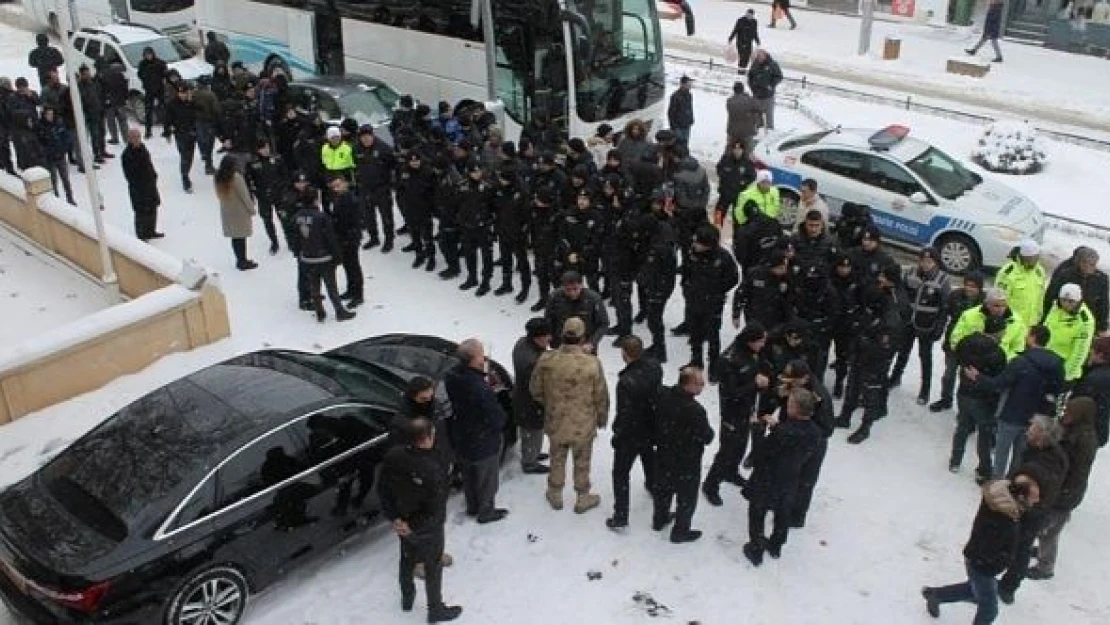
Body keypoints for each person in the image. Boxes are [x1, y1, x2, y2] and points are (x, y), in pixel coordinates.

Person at [921, 474, 1040, 624]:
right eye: (1033, 497)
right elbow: (990, 544)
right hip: (982, 564)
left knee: (975, 590)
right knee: (989, 609)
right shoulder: (1004, 516)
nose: (1037, 501)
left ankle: (936, 595)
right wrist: (999, 563)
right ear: (1021, 497)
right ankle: (936, 595)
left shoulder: (1004, 505)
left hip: (980, 561)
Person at [378, 418, 463, 623]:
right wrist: (411, 525)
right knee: (433, 565)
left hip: (403, 520)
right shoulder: (432, 469)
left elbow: (382, 490)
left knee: (407, 559)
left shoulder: (393, 456)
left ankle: (407, 598)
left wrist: (396, 519)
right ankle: (435, 609)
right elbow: (434, 508)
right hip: (428, 527)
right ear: (425, 439)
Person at [530, 317, 609, 513]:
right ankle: (582, 496)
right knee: (582, 460)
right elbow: (601, 395)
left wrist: (551, 404)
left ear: (562, 335)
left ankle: (555, 492)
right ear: (583, 337)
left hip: (556, 419)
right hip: (583, 422)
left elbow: (535, 389)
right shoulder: (591, 363)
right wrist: (601, 417)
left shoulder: (547, 360)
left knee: (557, 455)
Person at [966, 325, 1065, 479]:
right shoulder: (1057, 364)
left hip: (1012, 413)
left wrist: (978, 377)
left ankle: (997, 481)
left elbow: (998, 384)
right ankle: (1013, 481)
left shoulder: (1021, 362)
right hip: (1036, 419)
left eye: (1028, 334)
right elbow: (1057, 391)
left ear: (1033, 338)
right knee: (1020, 454)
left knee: (1002, 452)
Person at [742, 388, 822, 566]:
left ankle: (756, 548)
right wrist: (778, 427)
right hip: (791, 477)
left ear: (795, 407)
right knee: (782, 513)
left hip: (768, 478)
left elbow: (761, 453)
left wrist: (757, 430)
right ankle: (776, 545)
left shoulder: (782, 433)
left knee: (757, 512)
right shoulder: (815, 433)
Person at [997, 415, 1069, 604]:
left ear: (1041, 436)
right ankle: (1008, 583)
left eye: (1032, 428)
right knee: (1020, 547)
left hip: (1030, 513)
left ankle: (1006, 587)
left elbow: (1021, 485)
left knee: (1019, 549)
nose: (1028, 430)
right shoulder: (1053, 453)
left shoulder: (1038, 465)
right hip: (1038, 511)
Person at [1027, 397, 1099, 581]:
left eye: (1069, 412)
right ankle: (1042, 551)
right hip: (1063, 490)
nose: (1064, 415)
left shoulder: (1081, 439)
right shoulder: (1076, 432)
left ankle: (1045, 567)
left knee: (1049, 528)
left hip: (1065, 492)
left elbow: (1071, 468)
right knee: (1049, 525)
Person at [444, 339, 509, 524]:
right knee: (487, 478)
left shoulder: (453, 377)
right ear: (473, 359)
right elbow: (494, 415)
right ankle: (486, 510)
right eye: (481, 353)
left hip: (462, 435)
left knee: (469, 475)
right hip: (483, 439)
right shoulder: (479, 388)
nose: (485, 356)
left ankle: (472, 505)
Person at [703, 323, 769, 506]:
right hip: (732, 413)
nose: (764, 344)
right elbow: (731, 393)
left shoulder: (751, 353)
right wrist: (755, 385)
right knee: (727, 450)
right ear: (751, 341)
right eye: (761, 341)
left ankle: (731, 471)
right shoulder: (729, 360)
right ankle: (711, 484)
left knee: (741, 445)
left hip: (746, 408)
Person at [607, 335, 663, 529]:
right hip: (651, 428)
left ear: (625, 353)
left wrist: (618, 434)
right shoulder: (655, 366)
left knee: (621, 474)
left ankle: (621, 515)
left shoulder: (626, 382)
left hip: (631, 434)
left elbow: (625, 413)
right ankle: (653, 486)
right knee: (650, 460)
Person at [653, 366, 714, 543]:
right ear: (689, 385)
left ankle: (660, 518)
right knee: (687, 497)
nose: (703, 386)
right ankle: (681, 531)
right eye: (700, 383)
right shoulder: (695, 410)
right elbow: (706, 436)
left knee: (663, 489)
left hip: (664, 453)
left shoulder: (664, 396)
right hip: (687, 460)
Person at [949, 314, 1008, 482]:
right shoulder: (998, 353)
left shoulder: (967, 341)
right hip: (984, 398)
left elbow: (957, 356)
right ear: (999, 332)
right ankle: (983, 468)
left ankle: (955, 460)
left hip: (964, 392)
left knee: (962, 427)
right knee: (984, 434)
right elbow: (998, 379)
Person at [889, 247, 950, 405]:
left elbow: (944, 307)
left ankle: (925, 390)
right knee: (902, 352)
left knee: (925, 358)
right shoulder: (910, 273)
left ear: (935, 263)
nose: (925, 264)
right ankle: (895, 378)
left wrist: (939, 328)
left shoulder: (942, 280)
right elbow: (901, 294)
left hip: (927, 325)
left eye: (929, 261)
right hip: (908, 322)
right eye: (922, 260)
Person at [681, 225, 740, 381]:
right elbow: (686, 272)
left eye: (699, 243)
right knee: (695, 333)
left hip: (712, 304)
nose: (696, 245)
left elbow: (733, 278)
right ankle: (696, 360)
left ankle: (714, 366)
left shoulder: (723, 258)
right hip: (693, 300)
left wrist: (717, 290)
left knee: (713, 335)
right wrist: (686, 288)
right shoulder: (691, 253)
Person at [292, 198, 356, 322]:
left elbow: (295, 237)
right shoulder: (321, 218)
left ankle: (319, 311)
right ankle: (339, 311)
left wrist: (298, 252)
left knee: (314, 286)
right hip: (324, 258)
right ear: (315, 201)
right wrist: (337, 256)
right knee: (331, 286)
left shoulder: (297, 217)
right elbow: (330, 238)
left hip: (308, 258)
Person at [931, 272, 986, 412]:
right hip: (954, 343)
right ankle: (946, 399)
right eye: (967, 285)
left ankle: (965, 409)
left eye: (973, 286)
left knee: (967, 380)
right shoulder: (955, 296)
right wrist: (939, 331)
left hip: (974, 349)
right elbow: (944, 315)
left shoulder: (985, 302)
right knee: (948, 375)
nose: (969, 289)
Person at [512, 318, 552, 475]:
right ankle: (529, 462)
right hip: (530, 403)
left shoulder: (523, 343)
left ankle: (532, 453)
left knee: (533, 432)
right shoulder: (531, 361)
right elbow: (540, 385)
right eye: (546, 336)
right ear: (537, 338)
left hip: (523, 398)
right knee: (532, 431)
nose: (550, 339)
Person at [949, 287, 1027, 361]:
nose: (1001, 309)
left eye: (1004, 305)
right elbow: (955, 340)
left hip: (1001, 367)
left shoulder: (1016, 321)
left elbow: (1018, 349)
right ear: (987, 304)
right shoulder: (969, 315)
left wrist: (1000, 359)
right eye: (996, 306)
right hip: (973, 364)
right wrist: (973, 358)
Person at [1045, 246, 1108, 335]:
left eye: (1093, 264)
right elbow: (1050, 296)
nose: (1089, 267)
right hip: (1063, 318)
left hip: (1087, 321)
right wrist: (1046, 317)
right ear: (1079, 262)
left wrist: (1102, 326)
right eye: (1085, 263)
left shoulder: (1101, 279)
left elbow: (1103, 304)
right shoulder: (1065, 274)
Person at [455, 161, 496, 296]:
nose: (477, 174)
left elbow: (494, 207)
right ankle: (472, 277)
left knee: (486, 255)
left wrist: (490, 222)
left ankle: (486, 281)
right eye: (474, 171)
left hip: (483, 226)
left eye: (479, 171)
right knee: (469, 252)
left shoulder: (488, 186)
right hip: (467, 225)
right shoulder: (462, 186)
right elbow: (456, 203)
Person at [354, 125, 396, 251]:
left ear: (372, 135)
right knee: (368, 216)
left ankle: (389, 239)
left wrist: (391, 183)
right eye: (363, 137)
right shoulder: (356, 149)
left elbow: (393, 166)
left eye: (368, 136)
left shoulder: (384, 148)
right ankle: (374, 238)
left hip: (381, 188)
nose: (366, 140)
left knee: (386, 215)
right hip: (365, 188)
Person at [1042, 283, 1095, 382]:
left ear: (1078, 301)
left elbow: (1080, 351)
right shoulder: (1056, 307)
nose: (1066, 304)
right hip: (1045, 360)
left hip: (1063, 366)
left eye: (1071, 301)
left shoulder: (1085, 321)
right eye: (1063, 300)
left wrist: (1066, 376)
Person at [544, 271, 610, 349]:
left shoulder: (593, 299)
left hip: (585, 345)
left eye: (575, 289)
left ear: (581, 285)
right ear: (562, 287)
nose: (572, 293)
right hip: (560, 344)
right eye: (568, 290)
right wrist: (549, 335)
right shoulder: (554, 297)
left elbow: (603, 323)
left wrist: (592, 342)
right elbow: (548, 319)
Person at [214, 156, 258, 271]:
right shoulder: (236, 177)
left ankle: (240, 259)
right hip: (239, 211)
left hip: (227, 211)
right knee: (241, 237)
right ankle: (242, 261)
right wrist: (251, 209)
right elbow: (244, 195)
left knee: (235, 237)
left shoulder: (218, 177)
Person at [328, 176, 365, 308]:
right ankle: (351, 289)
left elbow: (355, 220)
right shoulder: (338, 198)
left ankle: (358, 294)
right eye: (334, 186)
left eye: (339, 184)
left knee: (353, 266)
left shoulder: (351, 200)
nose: (337, 188)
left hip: (350, 237)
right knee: (347, 265)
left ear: (345, 184)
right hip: (342, 237)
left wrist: (351, 237)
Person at [120, 128, 163, 241]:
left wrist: (154, 176)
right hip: (138, 188)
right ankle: (141, 235)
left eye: (138, 137)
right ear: (129, 139)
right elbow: (129, 174)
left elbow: (149, 164)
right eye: (134, 138)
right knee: (141, 211)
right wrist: (140, 182)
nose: (137, 140)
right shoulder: (127, 155)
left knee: (152, 208)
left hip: (150, 185)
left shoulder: (143, 148)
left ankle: (151, 231)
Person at [995, 239, 1046, 331]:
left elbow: (1040, 298)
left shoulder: (1039, 272)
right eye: (1030, 259)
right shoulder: (1008, 273)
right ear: (1022, 257)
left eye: (1036, 258)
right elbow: (999, 299)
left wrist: (1039, 318)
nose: (1033, 262)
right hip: (1012, 325)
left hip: (1032, 325)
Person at [1072, 336, 1110, 446]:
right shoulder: (1101, 374)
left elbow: (1079, 404)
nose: (1090, 353)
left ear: (1101, 355)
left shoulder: (1095, 379)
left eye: (1093, 351)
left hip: (1084, 433)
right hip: (1097, 430)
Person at [162, 83, 199, 193]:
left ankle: (186, 172)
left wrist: (192, 101)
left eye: (184, 93)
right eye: (180, 93)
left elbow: (200, 112)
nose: (182, 95)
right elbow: (167, 120)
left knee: (190, 156)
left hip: (192, 133)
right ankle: (185, 177)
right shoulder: (172, 104)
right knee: (185, 155)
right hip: (180, 134)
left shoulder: (191, 102)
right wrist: (167, 133)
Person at [37, 106, 74, 205]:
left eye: (52, 114)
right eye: (48, 114)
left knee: (65, 179)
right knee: (53, 180)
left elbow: (67, 138)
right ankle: (56, 199)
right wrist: (48, 152)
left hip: (61, 156)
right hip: (50, 158)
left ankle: (70, 198)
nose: (50, 116)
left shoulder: (59, 124)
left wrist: (64, 149)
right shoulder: (41, 127)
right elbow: (40, 144)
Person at [747, 50, 783, 131]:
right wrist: (752, 86)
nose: (759, 58)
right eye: (758, 57)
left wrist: (771, 85)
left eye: (760, 57)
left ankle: (770, 132)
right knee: (757, 116)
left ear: (765, 56)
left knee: (769, 117)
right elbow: (750, 76)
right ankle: (758, 131)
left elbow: (779, 76)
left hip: (768, 96)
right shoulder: (755, 63)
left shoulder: (773, 64)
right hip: (756, 95)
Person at [137, 46, 168, 138]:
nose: (148, 56)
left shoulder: (160, 63)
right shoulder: (142, 64)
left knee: (163, 109)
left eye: (150, 54)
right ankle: (148, 131)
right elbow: (140, 74)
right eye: (146, 55)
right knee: (148, 111)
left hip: (159, 89)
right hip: (149, 90)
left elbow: (165, 74)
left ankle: (166, 129)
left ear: (153, 54)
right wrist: (146, 80)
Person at [98, 62, 129, 147]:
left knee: (111, 122)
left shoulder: (102, 76)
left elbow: (101, 91)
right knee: (123, 121)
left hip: (109, 103)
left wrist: (103, 101)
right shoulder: (121, 76)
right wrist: (125, 99)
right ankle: (126, 138)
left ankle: (115, 138)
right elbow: (125, 88)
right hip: (120, 102)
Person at [667, 76, 694, 146]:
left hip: (686, 125)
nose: (690, 86)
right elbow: (670, 113)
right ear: (682, 84)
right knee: (677, 145)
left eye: (690, 84)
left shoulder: (689, 95)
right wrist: (674, 127)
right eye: (688, 84)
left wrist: (691, 119)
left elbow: (690, 108)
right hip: (678, 127)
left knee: (685, 145)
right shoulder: (675, 96)